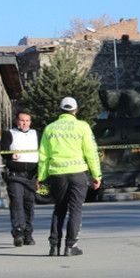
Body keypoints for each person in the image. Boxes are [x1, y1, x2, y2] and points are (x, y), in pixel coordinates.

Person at [38, 96, 102, 257]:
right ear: (76, 110)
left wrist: (40, 178)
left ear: (60, 110)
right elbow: (91, 152)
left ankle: (54, 246)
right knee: (75, 210)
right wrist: (97, 175)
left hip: (57, 174)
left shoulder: (50, 128)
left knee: (59, 209)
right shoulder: (83, 127)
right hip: (77, 173)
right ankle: (70, 246)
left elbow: (43, 156)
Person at [0, 111, 39, 247]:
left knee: (29, 204)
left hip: (32, 175)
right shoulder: (9, 133)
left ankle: (28, 233)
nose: (24, 123)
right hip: (15, 175)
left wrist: (41, 176)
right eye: (22, 120)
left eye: (27, 121)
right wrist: (10, 155)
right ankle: (18, 232)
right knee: (17, 203)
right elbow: (3, 150)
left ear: (30, 122)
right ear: (17, 121)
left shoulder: (36, 134)